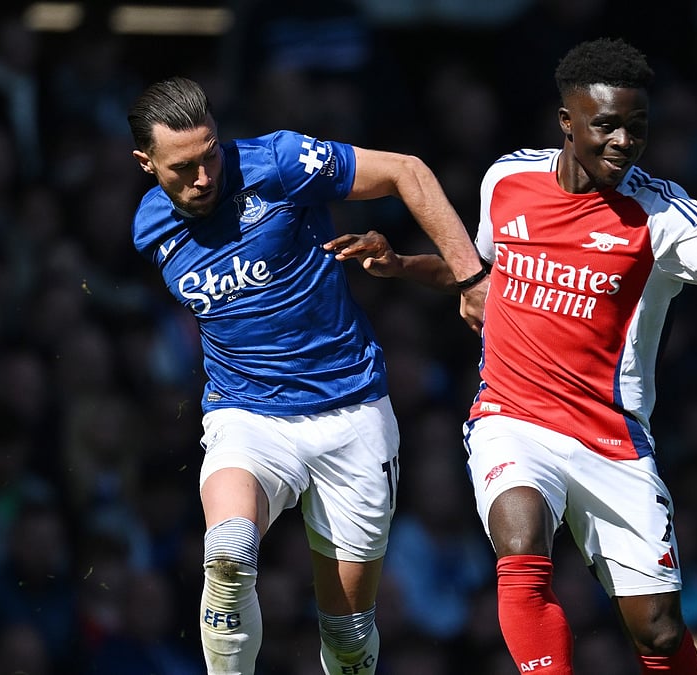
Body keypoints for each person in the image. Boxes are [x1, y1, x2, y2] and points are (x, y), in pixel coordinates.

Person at [327, 38, 697, 674]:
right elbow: (484, 278)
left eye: (638, 127)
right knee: (520, 544)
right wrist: (402, 265)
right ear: (567, 122)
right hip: (511, 416)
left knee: (658, 630)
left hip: (610, 437)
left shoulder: (665, 215)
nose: (624, 141)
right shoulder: (507, 181)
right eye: (607, 126)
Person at [125, 76, 488, 675]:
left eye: (211, 153)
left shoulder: (280, 161)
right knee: (229, 549)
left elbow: (407, 169)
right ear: (146, 163)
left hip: (351, 411)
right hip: (247, 415)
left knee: (347, 632)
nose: (205, 177)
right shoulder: (148, 229)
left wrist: (472, 278)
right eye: (183, 167)